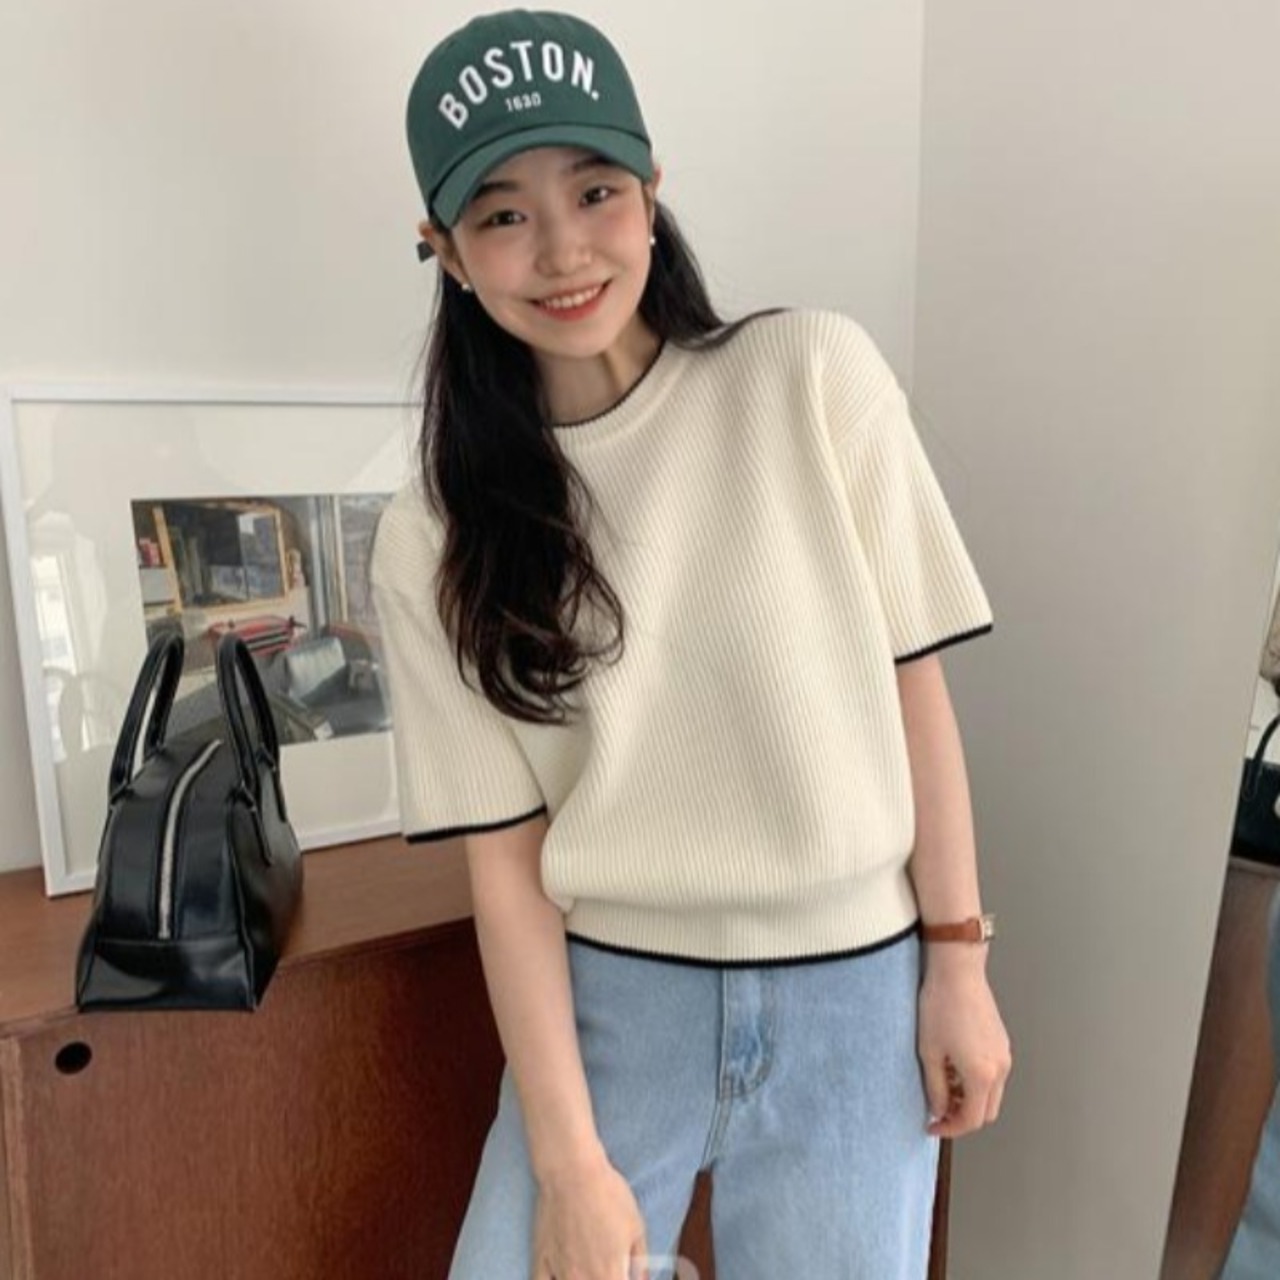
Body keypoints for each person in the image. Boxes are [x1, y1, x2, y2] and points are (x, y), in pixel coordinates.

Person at [370, 9, 1013, 1279]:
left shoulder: (810, 377)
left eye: (593, 191)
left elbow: (913, 696)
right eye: (501, 214)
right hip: (615, 1007)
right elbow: (506, 866)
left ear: (651, 193)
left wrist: (958, 961)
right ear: (442, 250)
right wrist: (566, 1164)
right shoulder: (435, 530)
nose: (562, 248)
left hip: (854, 996)